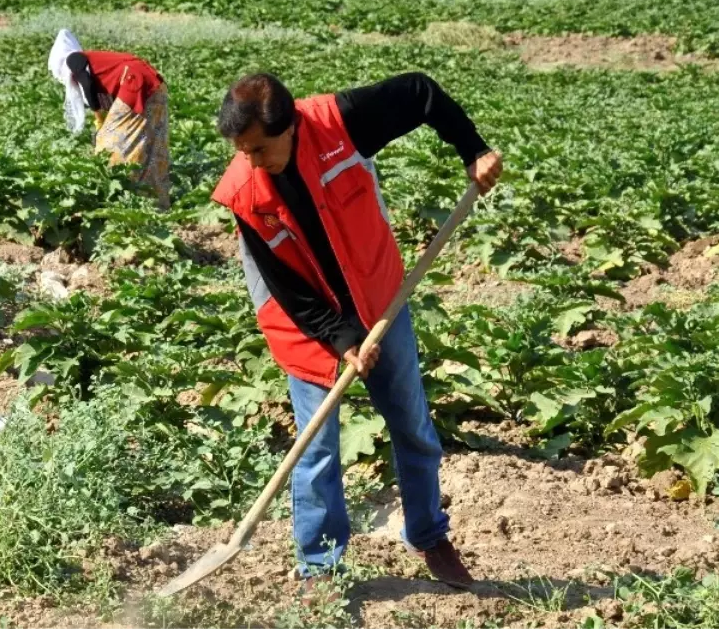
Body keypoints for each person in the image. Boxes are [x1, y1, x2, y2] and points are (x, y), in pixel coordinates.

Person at [211, 71, 502, 596]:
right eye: (242, 151)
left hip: (380, 298)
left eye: (258, 149)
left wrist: (473, 148)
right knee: (316, 448)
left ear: (291, 125)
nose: (251, 161)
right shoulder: (243, 191)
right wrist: (341, 340)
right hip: (305, 324)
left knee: (412, 427)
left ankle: (429, 535)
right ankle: (319, 566)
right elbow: (287, 289)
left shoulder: (339, 122)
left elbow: (421, 93)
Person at [47, 29, 171, 209]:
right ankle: (153, 201)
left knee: (109, 144)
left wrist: (99, 118)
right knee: (150, 142)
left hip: (136, 82)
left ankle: (117, 197)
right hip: (152, 85)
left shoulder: (74, 59)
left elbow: (86, 84)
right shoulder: (95, 66)